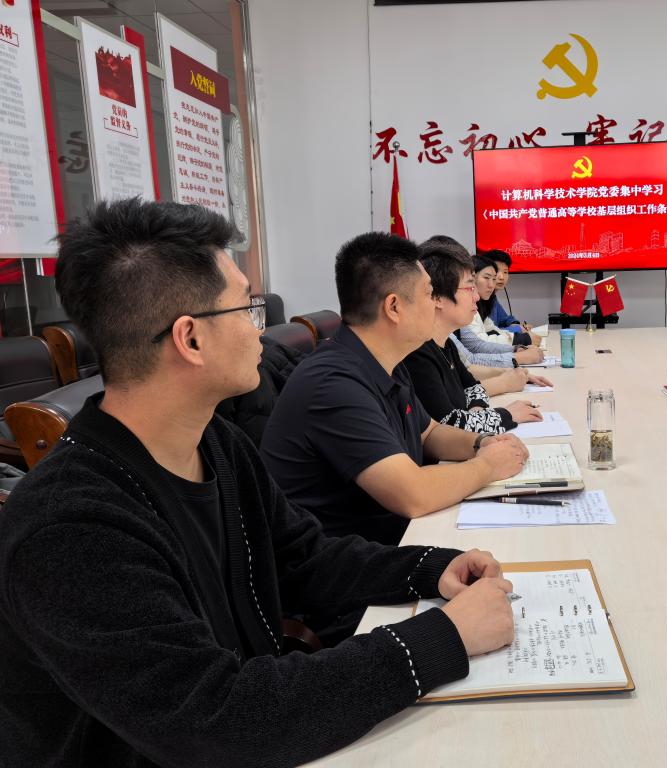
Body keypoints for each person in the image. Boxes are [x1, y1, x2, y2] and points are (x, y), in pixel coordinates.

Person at [0, 198, 515, 767]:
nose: (261, 335)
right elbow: (216, 720)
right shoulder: (71, 529)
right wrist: (443, 639)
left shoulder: (216, 444)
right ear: (191, 339)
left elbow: (305, 557)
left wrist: (430, 568)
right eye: (246, 310)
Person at [260, 232, 529, 546]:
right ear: (394, 307)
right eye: (429, 293)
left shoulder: (388, 361)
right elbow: (413, 493)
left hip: (392, 540)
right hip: (348, 562)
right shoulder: (332, 383)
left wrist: (482, 443)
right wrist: (488, 466)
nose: (435, 303)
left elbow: (428, 433)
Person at [403, 244, 542, 433]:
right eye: (469, 288)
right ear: (438, 298)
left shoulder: (447, 343)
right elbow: (449, 424)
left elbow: (472, 388)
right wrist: (506, 415)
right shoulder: (417, 353)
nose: (476, 296)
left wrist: (477, 414)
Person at [466, 254, 539, 347]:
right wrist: (519, 338)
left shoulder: (488, 299)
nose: (501, 277)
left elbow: (495, 327)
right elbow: (478, 343)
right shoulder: (467, 304)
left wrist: (516, 331)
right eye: (486, 277)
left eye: (505, 272)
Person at [485, 249, 529, 332]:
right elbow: (488, 332)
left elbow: (504, 319)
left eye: (505, 272)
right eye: (497, 271)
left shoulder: (492, 297)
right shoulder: (478, 299)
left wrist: (515, 324)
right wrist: (518, 329)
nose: (501, 277)